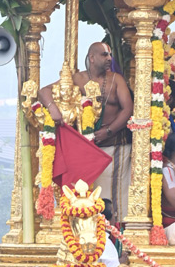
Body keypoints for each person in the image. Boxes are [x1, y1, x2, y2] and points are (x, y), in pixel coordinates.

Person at [40, 42, 133, 222]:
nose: (109, 59)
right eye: (104, 55)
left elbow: (128, 109)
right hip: (85, 153)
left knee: (117, 198)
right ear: (91, 58)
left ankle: (117, 235)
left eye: (110, 55)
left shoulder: (116, 79)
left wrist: (108, 131)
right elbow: (44, 91)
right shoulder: (77, 79)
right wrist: (53, 109)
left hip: (114, 147)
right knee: (87, 197)